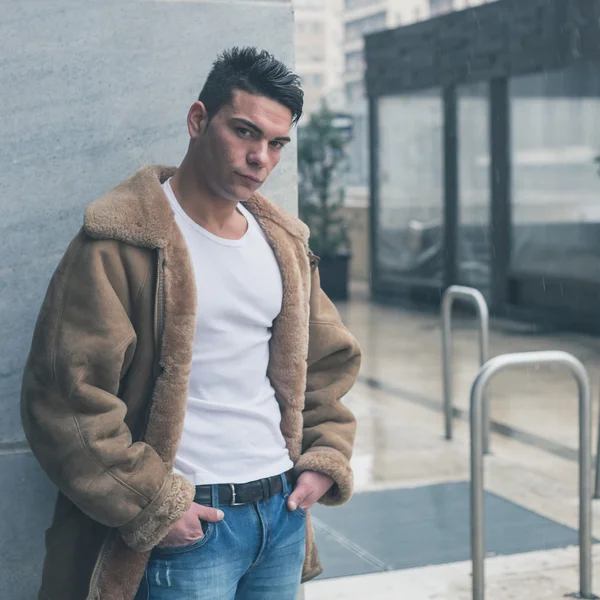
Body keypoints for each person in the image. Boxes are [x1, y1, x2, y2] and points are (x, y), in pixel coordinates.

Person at [20, 47, 361, 600]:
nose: (261, 158)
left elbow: (326, 364)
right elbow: (65, 399)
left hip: (281, 514)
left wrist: (324, 459)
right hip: (189, 525)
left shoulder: (284, 245)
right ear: (198, 120)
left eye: (276, 144)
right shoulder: (121, 241)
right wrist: (155, 505)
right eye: (245, 133)